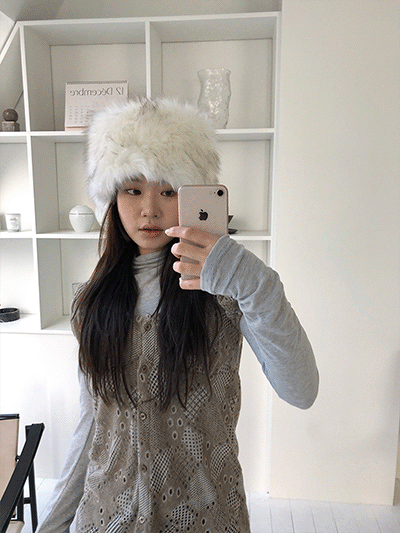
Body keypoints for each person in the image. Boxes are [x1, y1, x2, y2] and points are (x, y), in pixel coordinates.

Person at [37, 97, 318, 533]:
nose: (150, 209)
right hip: (106, 516)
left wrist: (254, 281)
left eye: (169, 190)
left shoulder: (226, 291)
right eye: (133, 189)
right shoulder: (92, 303)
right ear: (111, 198)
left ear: (192, 198)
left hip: (206, 517)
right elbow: (93, 423)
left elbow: (301, 390)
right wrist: (53, 523)